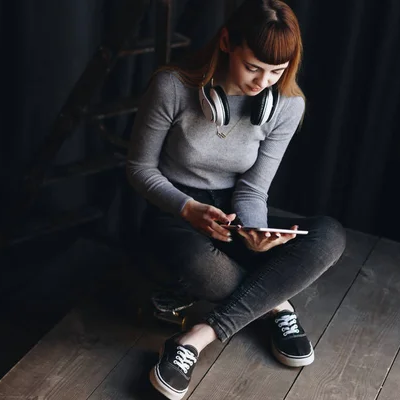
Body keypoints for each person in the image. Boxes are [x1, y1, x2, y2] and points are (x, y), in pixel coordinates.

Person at [126, 1, 346, 399]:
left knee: (330, 236)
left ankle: (195, 338)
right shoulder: (172, 87)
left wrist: (254, 231)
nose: (263, 82)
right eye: (253, 67)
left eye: (276, 72)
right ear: (227, 41)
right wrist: (188, 209)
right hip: (175, 211)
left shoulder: (287, 107)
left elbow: (252, 189)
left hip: (234, 213)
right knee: (201, 267)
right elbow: (140, 169)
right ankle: (275, 302)